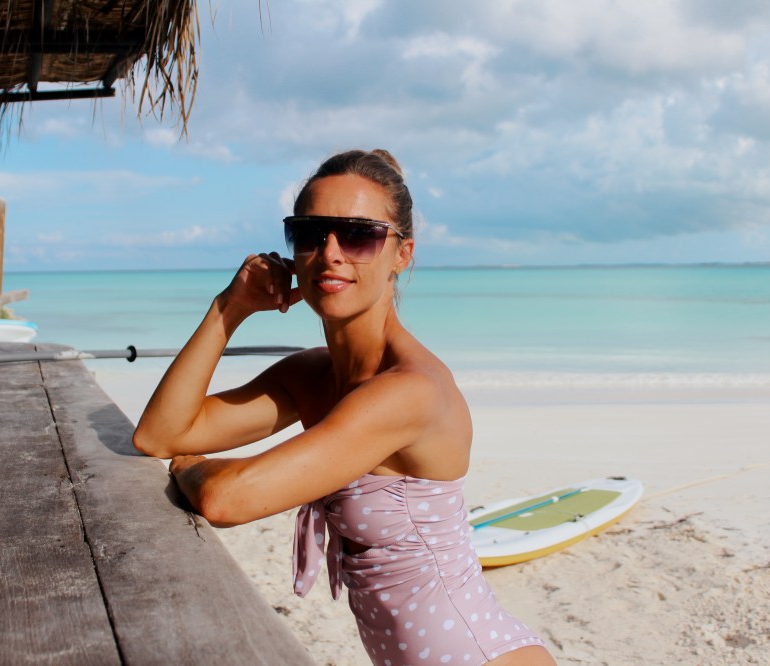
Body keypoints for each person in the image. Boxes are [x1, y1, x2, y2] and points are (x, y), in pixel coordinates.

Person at [133, 149, 555, 666]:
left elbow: (226, 499)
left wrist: (190, 468)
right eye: (311, 234)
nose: (330, 252)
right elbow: (160, 434)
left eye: (359, 235)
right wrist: (230, 307)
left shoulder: (408, 392)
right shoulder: (313, 374)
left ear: (401, 254)